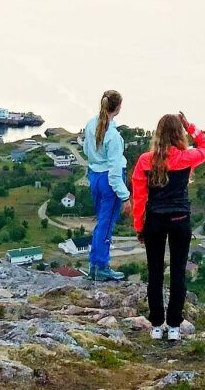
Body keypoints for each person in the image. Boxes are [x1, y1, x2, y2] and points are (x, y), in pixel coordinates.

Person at [131, 111, 205, 341]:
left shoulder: (145, 161)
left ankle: (157, 325)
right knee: (178, 272)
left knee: (155, 272)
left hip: (155, 220)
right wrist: (191, 127)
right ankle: (174, 326)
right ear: (179, 134)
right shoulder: (187, 157)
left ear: (157, 134)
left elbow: (139, 198)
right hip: (179, 220)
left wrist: (139, 226)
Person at [82, 89, 132, 281]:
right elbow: (114, 171)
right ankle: (101, 266)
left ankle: (94, 265)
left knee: (101, 223)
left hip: (95, 176)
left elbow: (87, 150)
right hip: (109, 182)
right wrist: (125, 196)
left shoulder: (90, 124)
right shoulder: (113, 136)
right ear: (118, 107)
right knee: (107, 224)